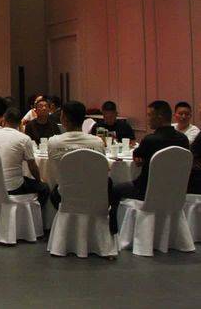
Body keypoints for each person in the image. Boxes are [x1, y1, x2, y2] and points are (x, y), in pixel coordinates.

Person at [109, 100, 190, 234]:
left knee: (115, 189)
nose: (148, 119)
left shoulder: (150, 140)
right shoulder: (183, 139)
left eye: (149, 115)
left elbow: (137, 154)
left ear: (159, 117)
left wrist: (139, 157)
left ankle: (115, 231)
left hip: (146, 191)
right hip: (174, 192)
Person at [0, 107, 49, 208]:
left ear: (4, 119)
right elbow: (32, 167)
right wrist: (39, 180)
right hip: (13, 187)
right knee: (44, 188)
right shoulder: (24, 139)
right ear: (20, 123)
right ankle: (35, 213)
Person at [46, 101, 105, 209]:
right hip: (92, 194)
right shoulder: (97, 142)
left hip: (65, 195)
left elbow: (54, 170)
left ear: (64, 119)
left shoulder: (54, 142)